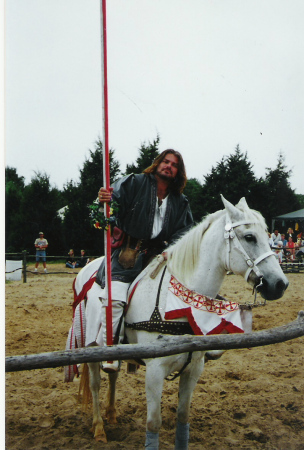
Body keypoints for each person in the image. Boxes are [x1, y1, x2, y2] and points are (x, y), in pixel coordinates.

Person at [96, 149, 194, 372]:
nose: (168, 166)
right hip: (127, 255)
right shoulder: (134, 182)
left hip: (158, 258)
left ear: (179, 172)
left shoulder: (180, 201)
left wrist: (174, 249)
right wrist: (105, 200)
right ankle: (111, 350)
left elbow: (185, 230)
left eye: (174, 164)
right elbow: (112, 204)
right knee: (116, 297)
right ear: (157, 163)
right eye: (165, 161)